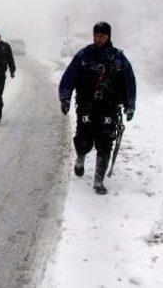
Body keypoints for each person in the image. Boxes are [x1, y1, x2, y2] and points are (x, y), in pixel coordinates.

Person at [59, 21, 136, 195]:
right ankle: (80, 158)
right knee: (84, 137)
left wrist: (130, 105)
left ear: (108, 37)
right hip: (86, 106)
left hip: (109, 108)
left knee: (105, 143)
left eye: (102, 36)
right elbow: (69, 77)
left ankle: (99, 180)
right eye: (96, 36)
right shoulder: (84, 55)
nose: (98, 39)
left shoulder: (118, 59)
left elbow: (129, 81)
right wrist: (65, 98)